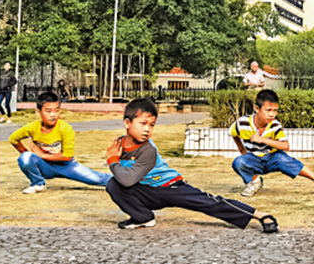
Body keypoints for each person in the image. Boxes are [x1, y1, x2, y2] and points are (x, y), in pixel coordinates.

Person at [105, 97, 279, 233]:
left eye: (151, 125)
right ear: (127, 123)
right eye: (142, 123)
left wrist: (112, 160)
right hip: (148, 191)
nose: (147, 130)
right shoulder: (118, 145)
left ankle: (259, 215)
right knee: (113, 184)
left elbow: (126, 179)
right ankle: (142, 217)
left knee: (210, 202)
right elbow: (121, 178)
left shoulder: (148, 150)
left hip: (171, 187)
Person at [229, 89, 314, 197]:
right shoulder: (242, 122)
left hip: (273, 158)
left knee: (287, 161)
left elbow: (285, 146)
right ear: (256, 108)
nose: (272, 114)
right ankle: (254, 182)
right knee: (238, 163)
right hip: (253, 158)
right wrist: (242, 150)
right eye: (268, 110)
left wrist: (263, 140)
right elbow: (233, 133)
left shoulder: (275, 125)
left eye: (275, 110)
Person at [11, 88, 109, 193]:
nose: (53, 115)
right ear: (38, 112)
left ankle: (125, 181)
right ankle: (38, 184)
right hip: (45, 166)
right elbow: (13, 139)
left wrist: (41, 154)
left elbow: (67, 156)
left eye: (57, 110)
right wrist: (30, 156)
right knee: (25, 158)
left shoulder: (65, 128)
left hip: (66, 166)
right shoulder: (32, 127)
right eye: (48, 111)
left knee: (98, 179)